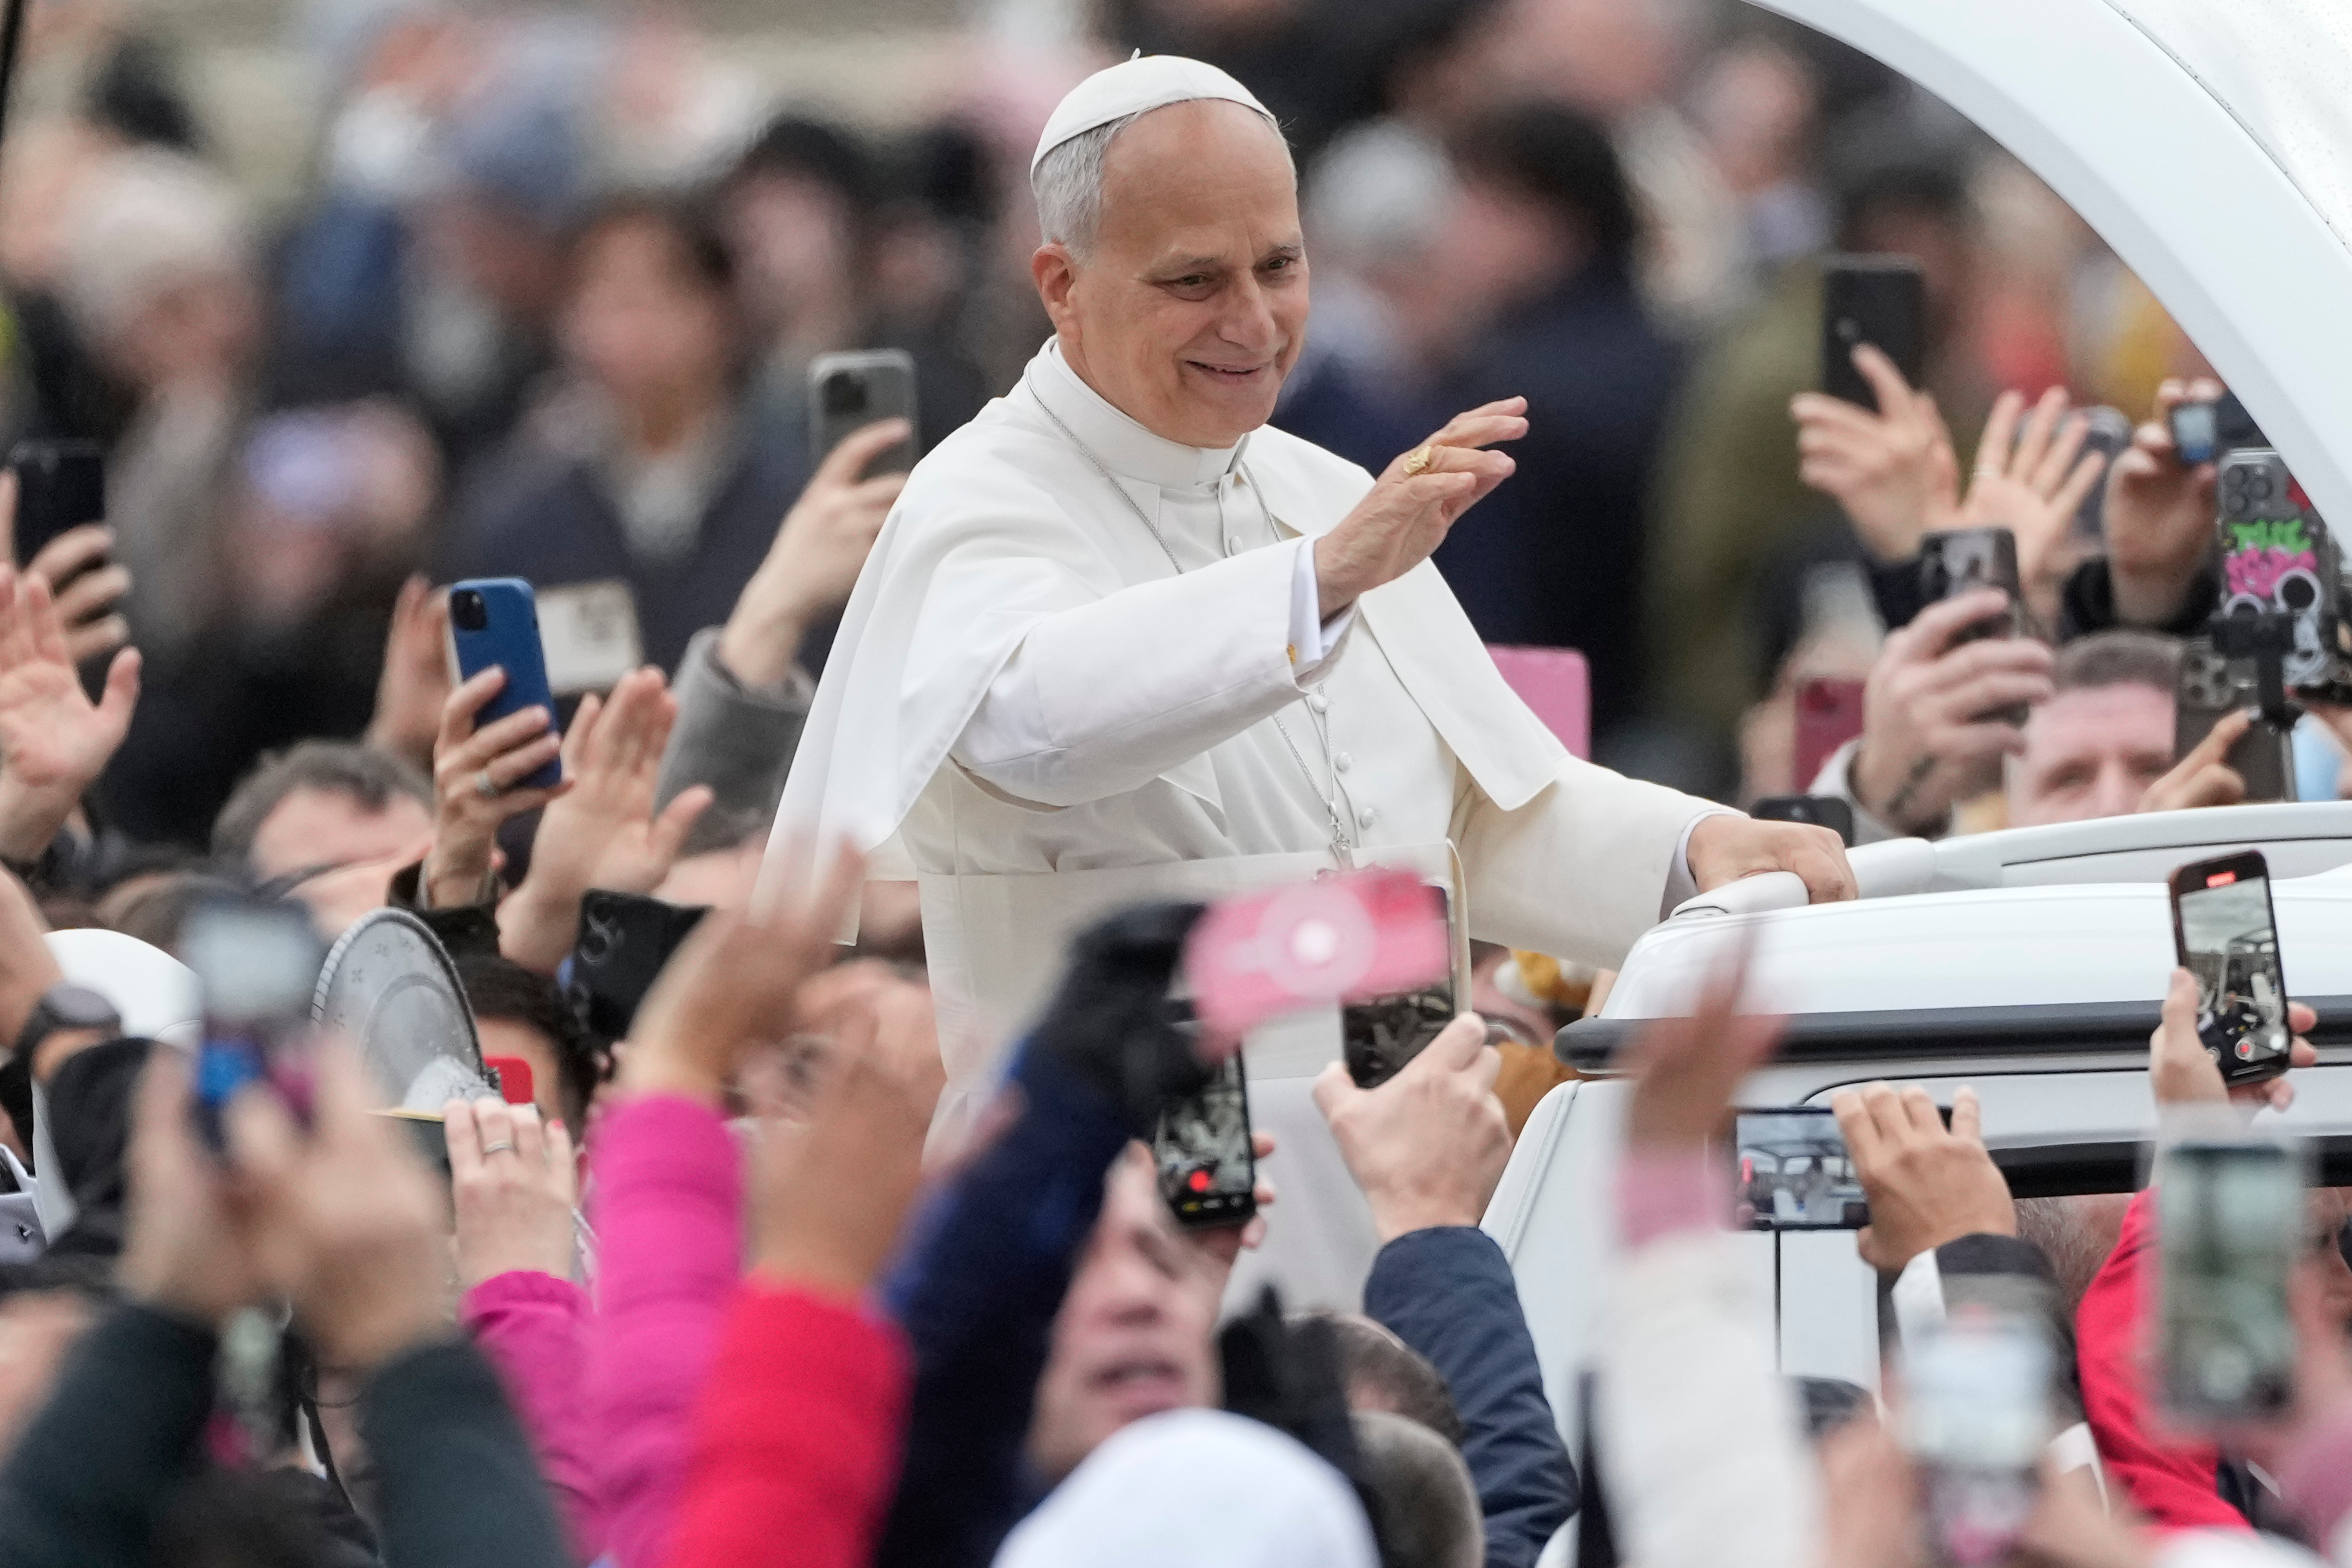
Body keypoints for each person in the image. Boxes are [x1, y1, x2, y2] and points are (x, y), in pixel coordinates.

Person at [770, 54, 1853, 1299]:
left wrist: (1696, 847)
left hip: (1398, 1177)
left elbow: (1475, 809)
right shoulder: (982, 497)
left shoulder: (1324, 492)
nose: (1252, 320)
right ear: (1062, 285)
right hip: (1121, 1221)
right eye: (1193, 281)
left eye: (1279, 268)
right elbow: (1028, 719)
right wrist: (1319, 583)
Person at [448, 195, 814, 674]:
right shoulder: (514, 522)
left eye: (647, 293)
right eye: (595, 297)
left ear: (720, 309)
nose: (619, 326)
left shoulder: (802, 514)